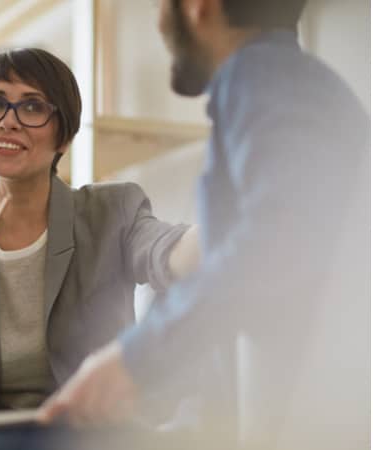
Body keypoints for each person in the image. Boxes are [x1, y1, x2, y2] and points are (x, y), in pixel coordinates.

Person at [40, 1, 370, 449]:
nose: (159, 20)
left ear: (199, 6)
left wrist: (132, 362)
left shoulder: (263, 77)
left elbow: (270, 253)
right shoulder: (285, 85)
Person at [0, 47, 199, 422]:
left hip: (84, 432)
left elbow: (164, 252)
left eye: (32, 107)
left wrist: (234, 227)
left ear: (64, 137)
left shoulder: (112, 212)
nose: (8, 121)